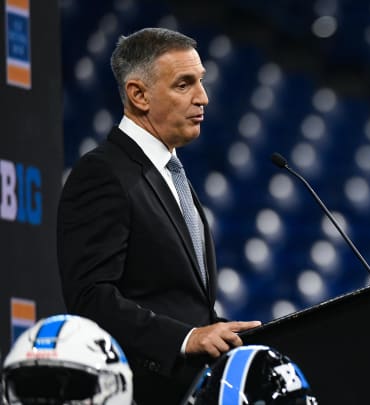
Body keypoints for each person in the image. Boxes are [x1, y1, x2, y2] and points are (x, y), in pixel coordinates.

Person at [57, 27, 261, 405]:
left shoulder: (170, 172)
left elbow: (179, 298)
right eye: (184, 84)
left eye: (200, 81)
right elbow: (90, 299)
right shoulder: (102, 173)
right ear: (138, 95)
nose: (204, 97)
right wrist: (186, 339)